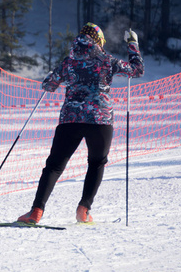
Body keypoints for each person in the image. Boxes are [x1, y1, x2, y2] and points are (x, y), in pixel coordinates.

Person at [17, 22, 144, 224]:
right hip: (100, 119)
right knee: (96, 163)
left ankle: (36, 212)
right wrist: (132, 44)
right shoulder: (107, 60)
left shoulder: (69, 61)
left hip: (71, 119)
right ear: (99, 41)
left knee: (54, 166)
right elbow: (137, 70)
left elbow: (48, 85)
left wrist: (63, 74)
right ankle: (83, 210)